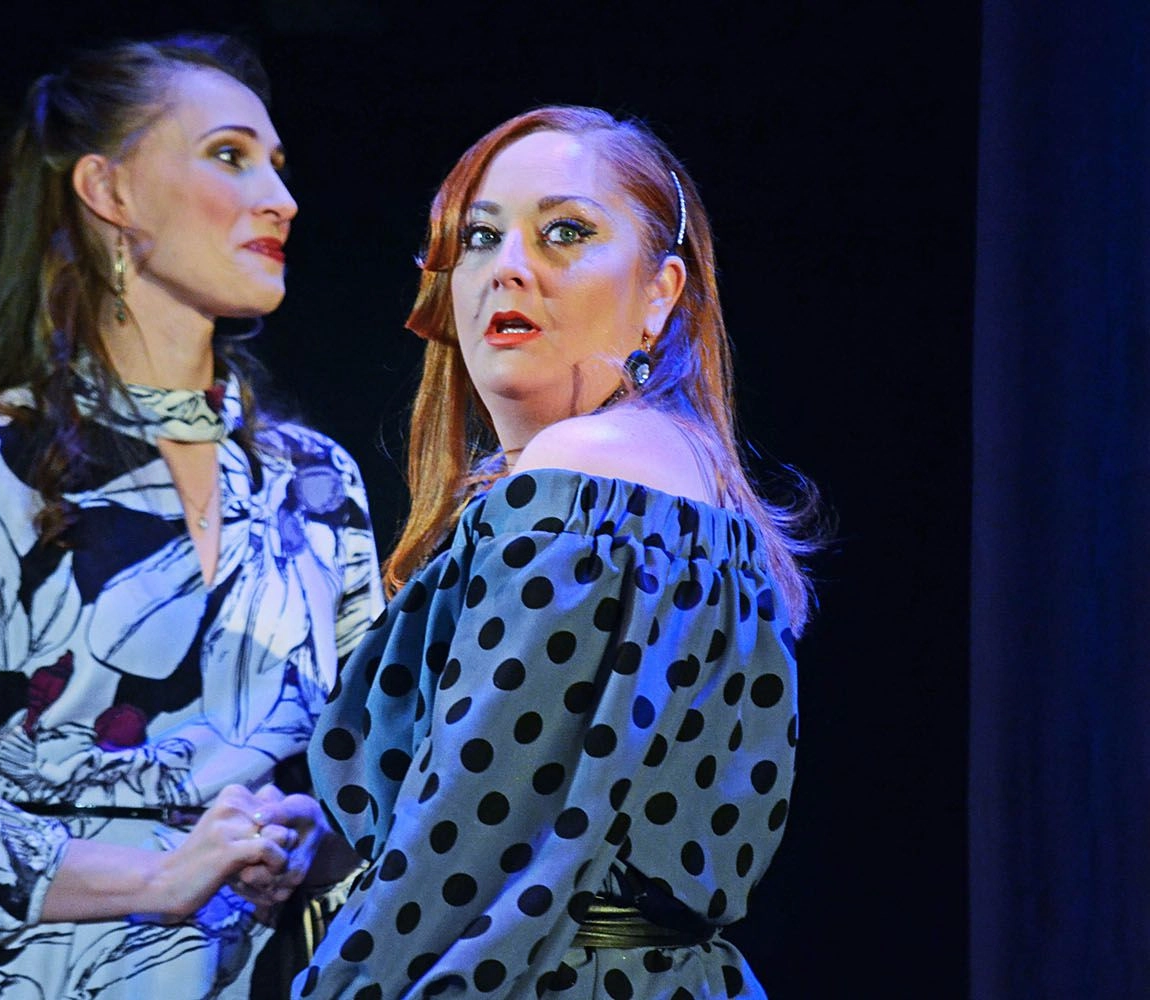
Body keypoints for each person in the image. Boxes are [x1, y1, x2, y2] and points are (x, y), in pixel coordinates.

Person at [0, 32, 380, 1000]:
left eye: (278, 164)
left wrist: (315, 841)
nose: (281, 197)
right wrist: (154, 877)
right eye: (230, 156)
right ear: (110, 191)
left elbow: (377, 785)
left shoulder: (315, 484)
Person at [296, 105, 818, 999]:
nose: (509, 266)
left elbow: (458, 867)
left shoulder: (584, 485)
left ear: (660, 293)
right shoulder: (683, 484)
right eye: (480, 236)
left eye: (565, 232)